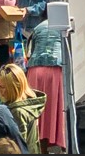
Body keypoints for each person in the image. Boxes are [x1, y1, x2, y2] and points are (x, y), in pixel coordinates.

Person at [24, 20, 64, 152]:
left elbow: (29, 52)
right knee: (56, 110)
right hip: (55, 71)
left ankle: (40, 148)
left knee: (36, 112)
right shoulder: (63, 25)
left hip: (35, 71)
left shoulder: (37, 27)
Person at [0, 64, 45, 153]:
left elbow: (18, 147)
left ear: (15, 87)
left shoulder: (18, 112)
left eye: (2, 87)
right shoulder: (29, 102)